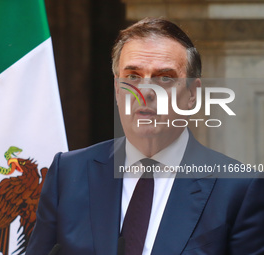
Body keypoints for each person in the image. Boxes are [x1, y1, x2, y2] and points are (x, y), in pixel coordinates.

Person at [26, 18, 264, 255]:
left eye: (165, 78)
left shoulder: (238, 188)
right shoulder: (68, 173)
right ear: (117, 90)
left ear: (192, 94)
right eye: (132, 77)